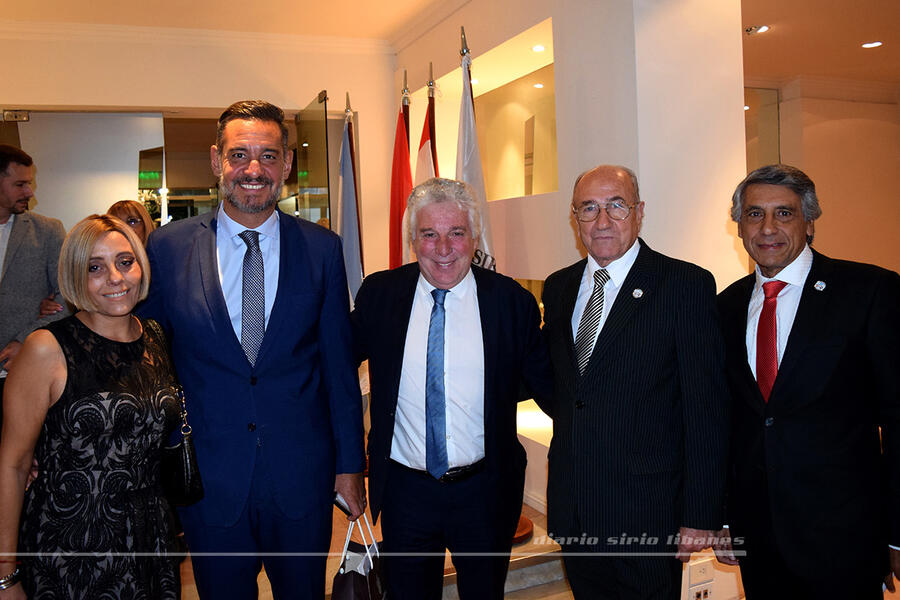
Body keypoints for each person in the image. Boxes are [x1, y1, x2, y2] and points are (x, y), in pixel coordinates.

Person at [138, 100, 366, 599]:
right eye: (239, 155)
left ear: (286, 164)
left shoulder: (323, 249)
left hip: (301, 478)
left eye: (268, 155)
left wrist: (350, 468)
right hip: (209, 479)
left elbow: (338, 368)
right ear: (218, 161)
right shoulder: (168, 248)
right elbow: (150, 363)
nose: (253, 169)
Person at [351, 177, 552, 600]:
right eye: (430, 234)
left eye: (456, 233)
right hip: (406, 492)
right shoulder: (381, 295)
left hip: (484, 491)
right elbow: (332, 372)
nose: (443, 249)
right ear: (413, 239)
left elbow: (550, 384)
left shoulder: (510, 301)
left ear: (473, 236)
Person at [540, 165, 729, 598]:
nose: (602, 221)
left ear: (639, 212)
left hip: (649, 513)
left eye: (616, 206)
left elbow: (706, 409)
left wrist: (700, 514)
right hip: (578, 508)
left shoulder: (684, 285)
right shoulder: (559, 287)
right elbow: (569, 390)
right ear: (575, 218)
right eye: (589, 208)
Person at [714, 164, 900, 598]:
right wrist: (722, 515)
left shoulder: (869, 291)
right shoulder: (724, 307)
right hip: (757, 535)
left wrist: (896, 533)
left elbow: (897, 418)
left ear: (809, 222)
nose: (768, 228)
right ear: (739, 225)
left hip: (843, 537)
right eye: (755, 214)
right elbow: (726, 421)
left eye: (784, 213)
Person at [0, 214, 181, 599]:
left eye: (125, 261)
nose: (115, 277)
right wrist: (5, 575)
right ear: (73, 276)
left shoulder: (155, 337)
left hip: (151, 541)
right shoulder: (46, 348)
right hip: (70, 547)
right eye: (94, 267)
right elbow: (13, 465)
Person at [0, 145, 69, 437]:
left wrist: (25, 340)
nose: (30, 192)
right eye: (20, 184)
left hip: (23, 375)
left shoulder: (48, 231)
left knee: (21, 466)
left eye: (29, 183)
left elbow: (68, 299)